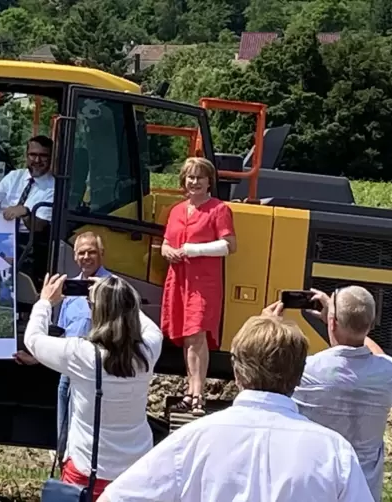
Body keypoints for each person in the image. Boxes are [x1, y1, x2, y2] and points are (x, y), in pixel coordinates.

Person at [97, 311, 374, 502]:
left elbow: (116, 497)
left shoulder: (193, 439)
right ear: (300, 375)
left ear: (237, 371)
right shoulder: (333, 451)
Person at [24, 273, 164, 501]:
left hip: (87, 469)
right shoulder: (147, 352)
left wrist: (45, 302)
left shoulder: (82, 354)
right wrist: (120, 297)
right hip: (135, 471)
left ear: (95, 311)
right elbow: (153, 329)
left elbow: (33, 339)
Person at [273, 287, 392, 502]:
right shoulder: (386, 373)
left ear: (332, 322)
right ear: (372, 324)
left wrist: (268, 325)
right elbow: (378, 355)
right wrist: (342, 320)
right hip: (364, 492)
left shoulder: (306, 370)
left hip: (315, 488)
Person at [160, 157, 236, 415]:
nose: (195, 182)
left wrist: (193, 250)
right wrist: (168, 251)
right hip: (178, 280)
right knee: (185, 337)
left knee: (197, 334)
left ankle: (198, 394)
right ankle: (190, 391)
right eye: (191, 177)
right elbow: (166, 244)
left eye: (200, 177)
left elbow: (229, 246)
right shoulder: (177, 211)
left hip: (204, 282)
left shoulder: (219, 209)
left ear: (208, 181)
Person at [54, 232, 111, 464]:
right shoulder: (70, 290)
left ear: (101, 255)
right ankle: (63, 460)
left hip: (95, 369)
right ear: (75, 257)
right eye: (81, 253)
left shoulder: (112, 286)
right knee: (64, 424)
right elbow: (61, 332)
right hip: (68, 368)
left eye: (92, 252)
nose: (86, 257)